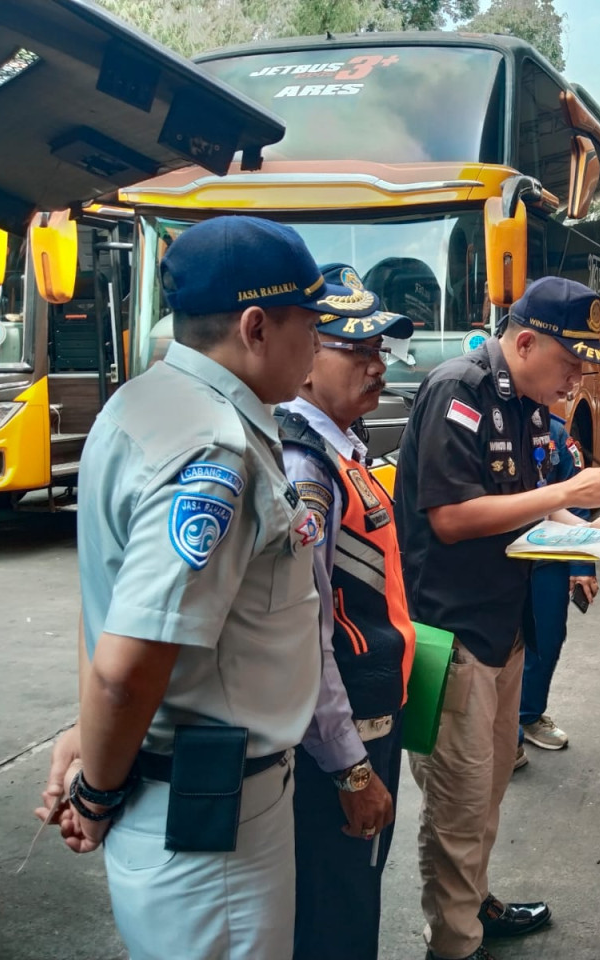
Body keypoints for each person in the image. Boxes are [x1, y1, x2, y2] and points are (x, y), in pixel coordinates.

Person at [41, 216, 381, 960]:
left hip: (188, 799)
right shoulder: (213, 449)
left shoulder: (141, 404)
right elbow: (129, 665)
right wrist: (95, 789)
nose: (319, 346)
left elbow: (101, 597)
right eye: (311, 326)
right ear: (257, 326)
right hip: (210, 823)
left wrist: (86, 739)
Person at [394, 276, 600, 960]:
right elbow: (452, 517)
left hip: (505, 628)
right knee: (458, 804)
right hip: (454, 634)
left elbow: (526, 500)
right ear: (525, 342)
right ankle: (455, 943)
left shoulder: (527, 403)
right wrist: (568, 491)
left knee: (489, 787)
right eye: (570, 362)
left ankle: (473, 905)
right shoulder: (458, 391)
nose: (577, 376)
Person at [276, 263, 417, 960]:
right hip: (345, 736)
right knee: (339, 907)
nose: (374, 365)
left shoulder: (342, 452)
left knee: (351, 896)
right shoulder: (307, 469)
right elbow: (306, 631)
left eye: (378, 350)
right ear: (305, 364)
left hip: (369, 716)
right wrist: (351, 767)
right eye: (353, 350)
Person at [514, 413, 596, 768]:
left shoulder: (557, 434)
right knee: (500, 651)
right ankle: (505, 737)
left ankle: (528, 715)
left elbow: (575, 499)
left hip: (547, 563)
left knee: (546, 640)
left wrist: (581, 566)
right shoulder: (484, 422)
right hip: (498, 564)